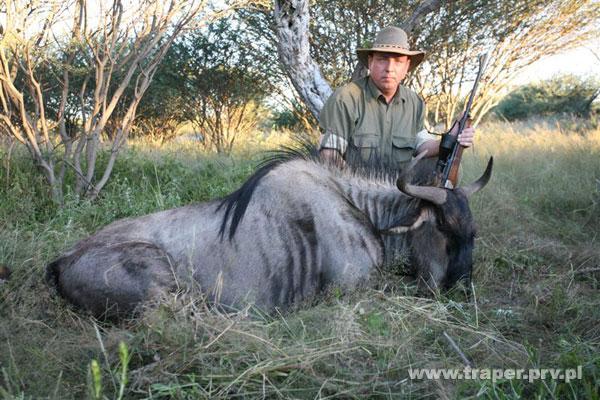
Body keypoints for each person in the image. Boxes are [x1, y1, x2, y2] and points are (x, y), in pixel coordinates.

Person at [318, 25, 474, 170]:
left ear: (406, 67)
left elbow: (423, 146)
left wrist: (452, 138)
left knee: (449, 169)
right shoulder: (345, 98)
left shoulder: (415, 102)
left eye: (398, 61)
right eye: (382, 59)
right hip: (356, 191)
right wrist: (364, 189)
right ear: (370, 62)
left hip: (398, 191)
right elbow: (329, 156)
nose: (389, 69)